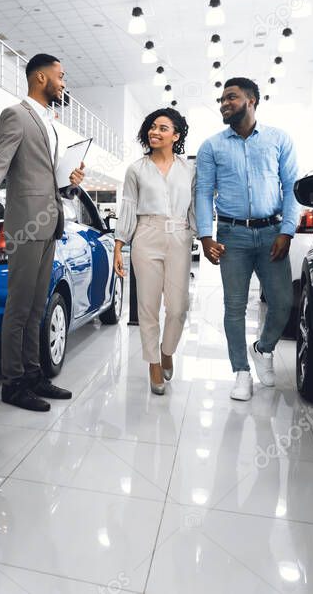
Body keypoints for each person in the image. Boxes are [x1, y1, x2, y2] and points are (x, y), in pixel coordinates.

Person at [0, 53, 85, 412]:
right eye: (60, 76)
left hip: (49, 222)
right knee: (19, 306)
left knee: (37, 305)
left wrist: (68, 182)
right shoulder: (16, 115)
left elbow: (46, 177)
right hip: (26, 224)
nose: (63, 83)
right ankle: (13, 382)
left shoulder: (49, 122)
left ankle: (33, 373)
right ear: (41, 78)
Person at [195, 77, 299, 401]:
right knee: (234, 306)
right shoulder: (212, 146)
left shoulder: (279, 139)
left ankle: (262, 349)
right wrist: (204, 235)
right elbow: (202, 192)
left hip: (272, 232)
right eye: (222, 99)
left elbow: (292, 186)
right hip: (232, 234)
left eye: (231, 97)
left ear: (251, 100)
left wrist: (287, 230)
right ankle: (240, 372)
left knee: (282, 303)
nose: (224, 103)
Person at [113, 108, 195, 395]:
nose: (155, 132)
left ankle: (167, 349)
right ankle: (153, 364)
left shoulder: (189, 170)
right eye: (152, 127)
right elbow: (127, 208)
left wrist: (201, 237)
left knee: (177, 307)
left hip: (180, 236)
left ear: (176, 135)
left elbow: (195, 208)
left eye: (162, 128)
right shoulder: (136, 169)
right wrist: (119, 247)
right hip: (145, 235)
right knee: (147, 308)